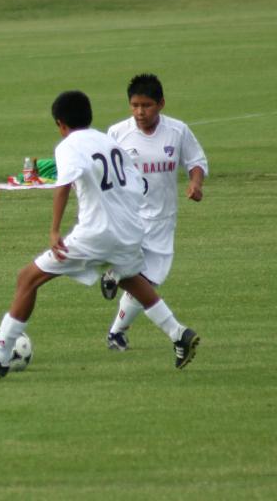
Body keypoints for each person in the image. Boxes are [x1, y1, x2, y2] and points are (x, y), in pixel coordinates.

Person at [0, 90, 200, 378]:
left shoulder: (69, 145)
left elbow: (64, 183)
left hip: (95, 234)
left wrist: (54, 229)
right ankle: (178, 333)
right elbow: (136, 183)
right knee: (132, 281)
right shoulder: (109, 141)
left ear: (60, 124)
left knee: (27, 278)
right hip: (128, 230)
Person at [101, 74, 208, 351]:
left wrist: (195, 183)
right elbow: (104, 172)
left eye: (146, 105)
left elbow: (195, 161)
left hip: (163, 219)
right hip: (131, 216)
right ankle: (118, 271)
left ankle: (116, 333)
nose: (139, 112)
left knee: (144, 283)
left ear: (160, 104)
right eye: (134, 105)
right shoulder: (117, 133)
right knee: (144, 280)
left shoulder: (177, 131)